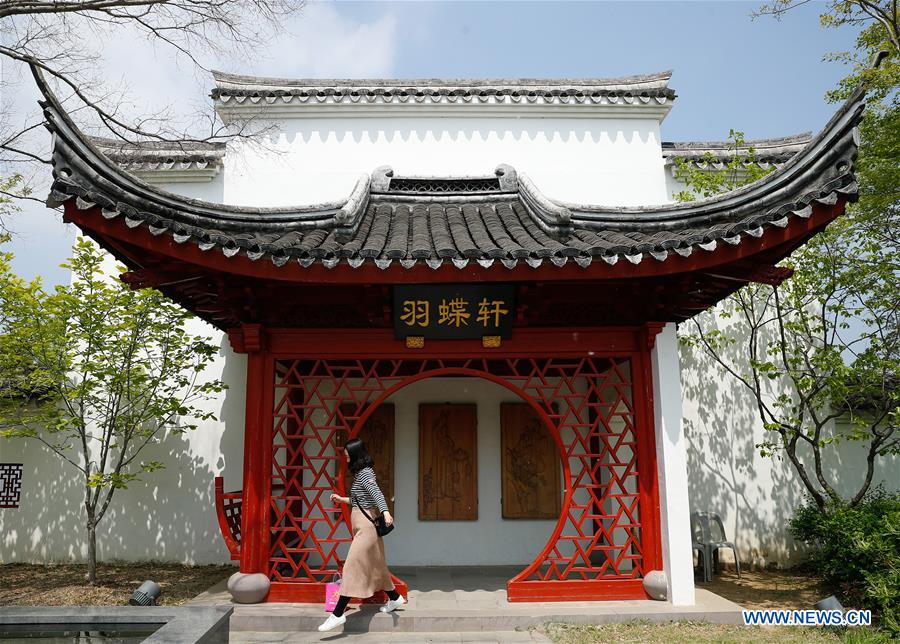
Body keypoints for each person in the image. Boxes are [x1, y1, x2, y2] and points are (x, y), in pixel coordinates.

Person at [318, 438, 406, 632]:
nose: (346, 457)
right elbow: (360, 500)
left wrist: (385, 512)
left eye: (348, 453)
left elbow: (377, 495)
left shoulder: (365, 474)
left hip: (366, 529)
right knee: (377, 567)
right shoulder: (361, 474)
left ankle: (338, 614)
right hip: (362, 526)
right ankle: (395, 598)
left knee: (352, 566)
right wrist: (342, 499)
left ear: (356, 454)